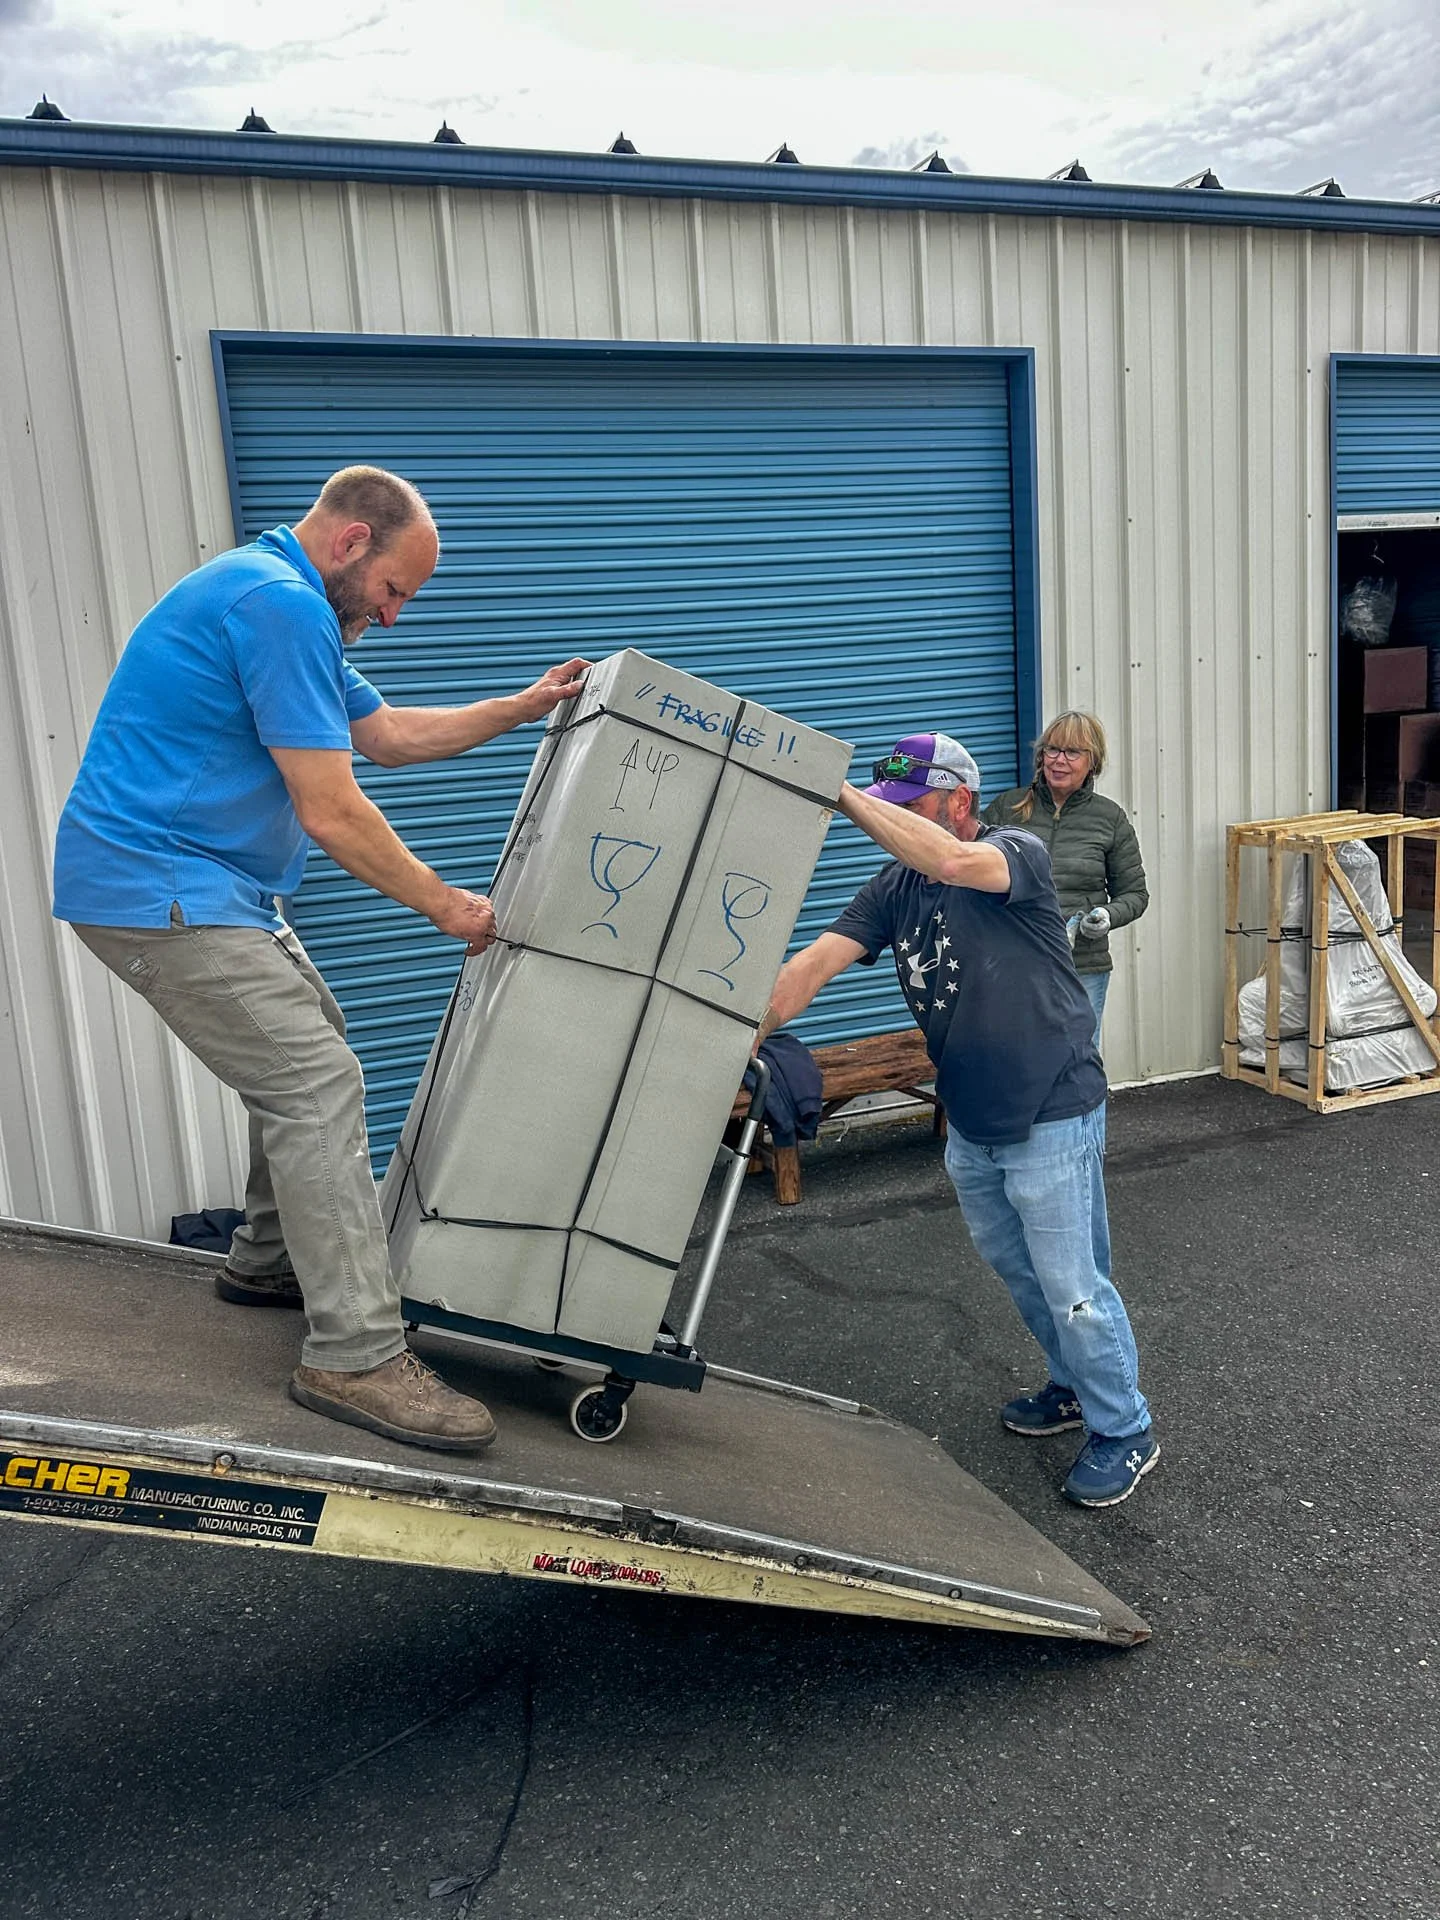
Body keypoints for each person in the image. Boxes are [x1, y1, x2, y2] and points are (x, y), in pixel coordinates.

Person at [52, 466, 590, 1455]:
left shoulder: (280, 595)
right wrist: (444, 904)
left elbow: (384, 737)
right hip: (156, 885)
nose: (392, 618)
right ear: (350, 544)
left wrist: (522, 707)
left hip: (202, 884)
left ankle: (264, 1260)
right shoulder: (280, 605)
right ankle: (353, 1355)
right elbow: (333, 808)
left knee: (311, 1049)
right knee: (315, 1079)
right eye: (395, 592)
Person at [758, 732, 1157, 1508]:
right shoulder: (893, 887)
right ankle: (1074, 1387)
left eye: (909, 809)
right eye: (889, 809)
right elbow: (813, 964)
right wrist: (740, 1024)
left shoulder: (1017, 852)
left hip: (1052, 1107)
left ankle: (1125, 1428)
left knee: (1074, 1284)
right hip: (972, 1118)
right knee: (1020, 1271)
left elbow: (952, 862)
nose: (895, 825)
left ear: (959, 803)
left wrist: (840, 796)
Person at [982, 712, 1147, 1045]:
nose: (1059, 761)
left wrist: (1106, 916)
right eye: (1052, 750)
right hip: (1013, 962)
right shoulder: (1006, 809)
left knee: (1078, 1063)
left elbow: (1135, 894)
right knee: (1014, 1057)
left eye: (1073, 752)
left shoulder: (1109, 818)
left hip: (1082, 965)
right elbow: (970, 871)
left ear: (1093, 763)